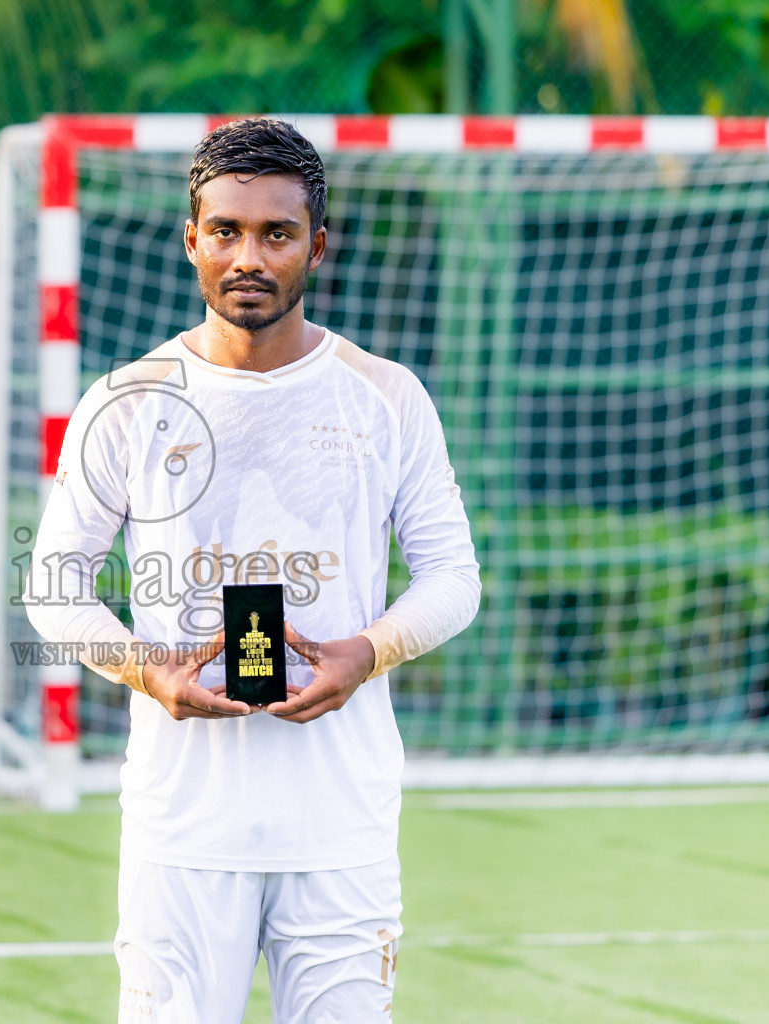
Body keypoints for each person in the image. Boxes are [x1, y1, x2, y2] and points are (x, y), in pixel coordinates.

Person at [25, 116, 481, 1023]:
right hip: (184, 823)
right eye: (226, 231)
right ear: (191, 240)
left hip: (339, 821)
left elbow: (453, 579)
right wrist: (144, 670)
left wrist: (371, 649)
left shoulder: (386, 396)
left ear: (318, 244)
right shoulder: (125, 402)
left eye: (276, 234)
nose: (249, 256)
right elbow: (53, 588)